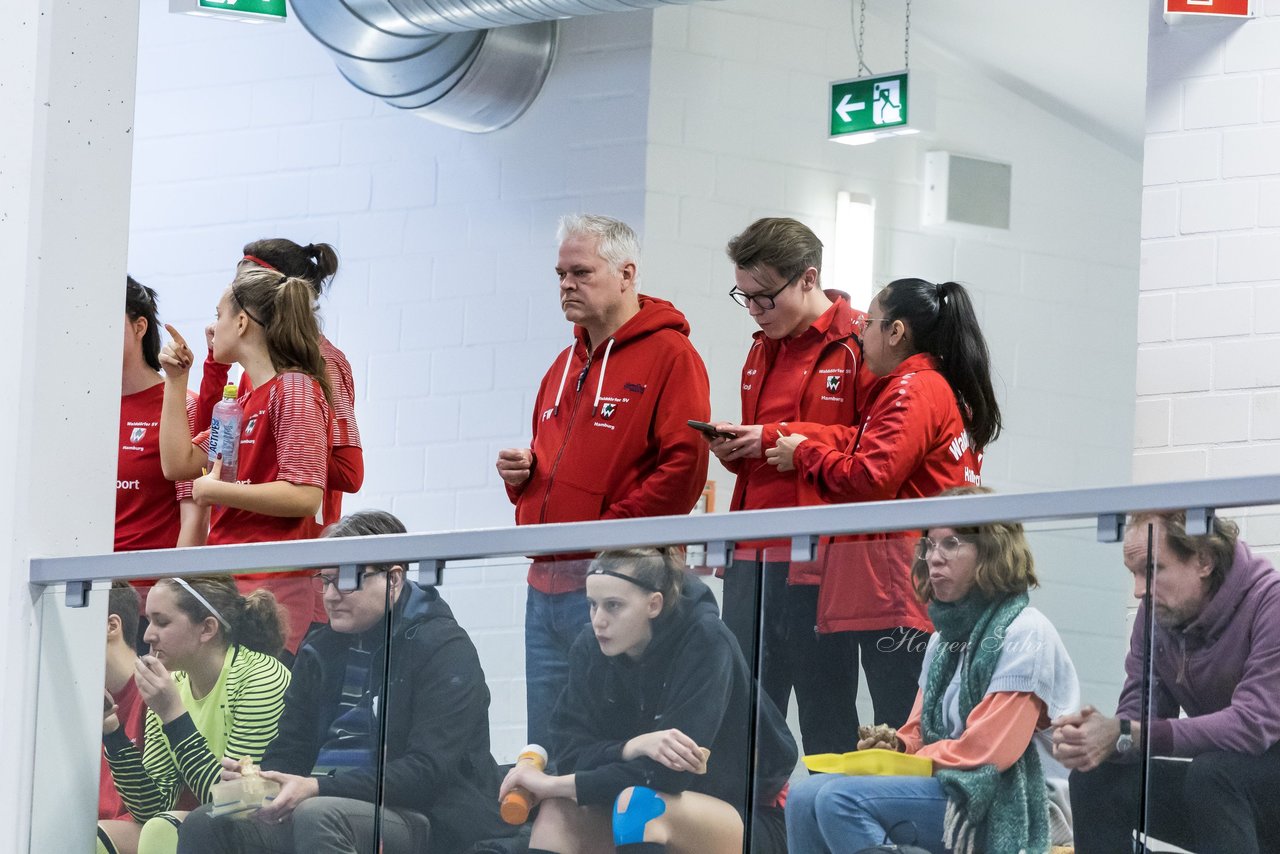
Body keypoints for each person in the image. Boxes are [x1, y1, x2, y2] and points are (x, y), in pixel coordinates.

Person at [177, 510, 512, 854]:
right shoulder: (320, 648)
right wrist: (261, 780)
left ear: (393, 580)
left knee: (317, 815)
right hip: (322, 798)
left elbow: (427, 772)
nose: (331, 594)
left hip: (422, 814)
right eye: (325, 579)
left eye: (347, 579)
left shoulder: (441, 647)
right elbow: (291, 749)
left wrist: (318, 788)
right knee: (210, 816)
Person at [495, 215, 711, 747]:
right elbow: (553, 468)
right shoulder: (562, 365)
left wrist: (603, 539)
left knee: (615, 739)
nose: (566, 285)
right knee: (549, 743)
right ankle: (551, 833)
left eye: (581, 272)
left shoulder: (671, 357)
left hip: (620, 587)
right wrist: (521, 478)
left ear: (626, 274)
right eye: (561, 274)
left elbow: (683, 470)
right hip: (545, 587)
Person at [765, 278, 1001, 728]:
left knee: (906, 729)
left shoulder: (914, 388)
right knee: (909, 727)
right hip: (912, 585)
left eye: (869, 323)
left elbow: (871, 476)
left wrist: (804, 455)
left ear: (896, 332)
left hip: (898, 588)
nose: (860, 333)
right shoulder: (942, 390)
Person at [786, 494, 1080, 854]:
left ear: (992, 553)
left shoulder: (1026, 632)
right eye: (928, 544)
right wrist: (895, 747)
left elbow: (988, 753)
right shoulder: (942, 638)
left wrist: (902, 764)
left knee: (840, 800)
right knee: (802, 795)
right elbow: (919, 732)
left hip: (1020, 801)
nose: (933, 557)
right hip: (954, 783)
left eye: (951, 544)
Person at [499, 547, 798, 854]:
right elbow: (570, 753)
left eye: (613, 606)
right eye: (592, 605)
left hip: (748, 813)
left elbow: (668, 776)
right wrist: (632, 746)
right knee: (557, 813)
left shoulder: (706, 641)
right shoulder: (590, 646)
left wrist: (551, 786)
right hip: (638, 800)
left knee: (640, 804)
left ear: (653, 604)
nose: (598, 620)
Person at [706, 217, 867, 756]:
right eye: (744, 296)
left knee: (826, 715)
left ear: (807, 278)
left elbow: (871, 445)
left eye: (764, 297)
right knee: (743, 720)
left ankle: (828, 831)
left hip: (817, 562)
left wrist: (775, 435)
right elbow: (771, 456)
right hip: (750, 557)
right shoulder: (760, 349)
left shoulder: (860, 344)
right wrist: (737, 450)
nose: (753, 310)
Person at [1055, 511, 1280, 853]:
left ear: (1203, 560)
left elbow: (1252, 726)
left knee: (1212, 773)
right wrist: (1096, 740)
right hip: (1225, 791)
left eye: (1153, 570)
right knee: (1094, 778)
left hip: (1255, 783)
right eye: (1133, 574)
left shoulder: (1270, 603)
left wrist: (1126, 732)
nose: (1138, 591)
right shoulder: (1156, 615)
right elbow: (1137, 716)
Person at [158, 265, 332, 658]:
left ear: (241, 322)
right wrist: (175, 381)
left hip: (273, 597)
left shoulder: (295, 388)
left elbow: (304, 495)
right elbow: (178, 463)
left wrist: (219, 491)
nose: (212, 326)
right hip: (228, 589)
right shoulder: (240, 403)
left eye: (218, 314)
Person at [100, 576, 291, 854]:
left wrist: (174, 716)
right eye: (149, 620)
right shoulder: (173, 683)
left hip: (267, 825)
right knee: (99, 836)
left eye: (162, 622)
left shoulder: (261, 678)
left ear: (207, 628)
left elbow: (237, 803)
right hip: (208, 821)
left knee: (162, 830)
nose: (147, 635)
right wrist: (113, 733)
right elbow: (152, 807)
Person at [197, 240, 363, 534]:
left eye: (243, 285)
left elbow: (351, 473)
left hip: (295, 543)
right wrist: (214, 367)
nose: (232, 296)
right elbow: (211, 453)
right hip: (245, 534)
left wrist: (280, 446)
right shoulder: (258, 369)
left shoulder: (321, 364)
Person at [118, 276, 206, 551]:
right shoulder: (82, 411)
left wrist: (173, 588)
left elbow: (195, 519)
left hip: (149, 587)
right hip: (83, 585)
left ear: (139, 327)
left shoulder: (185, 406)